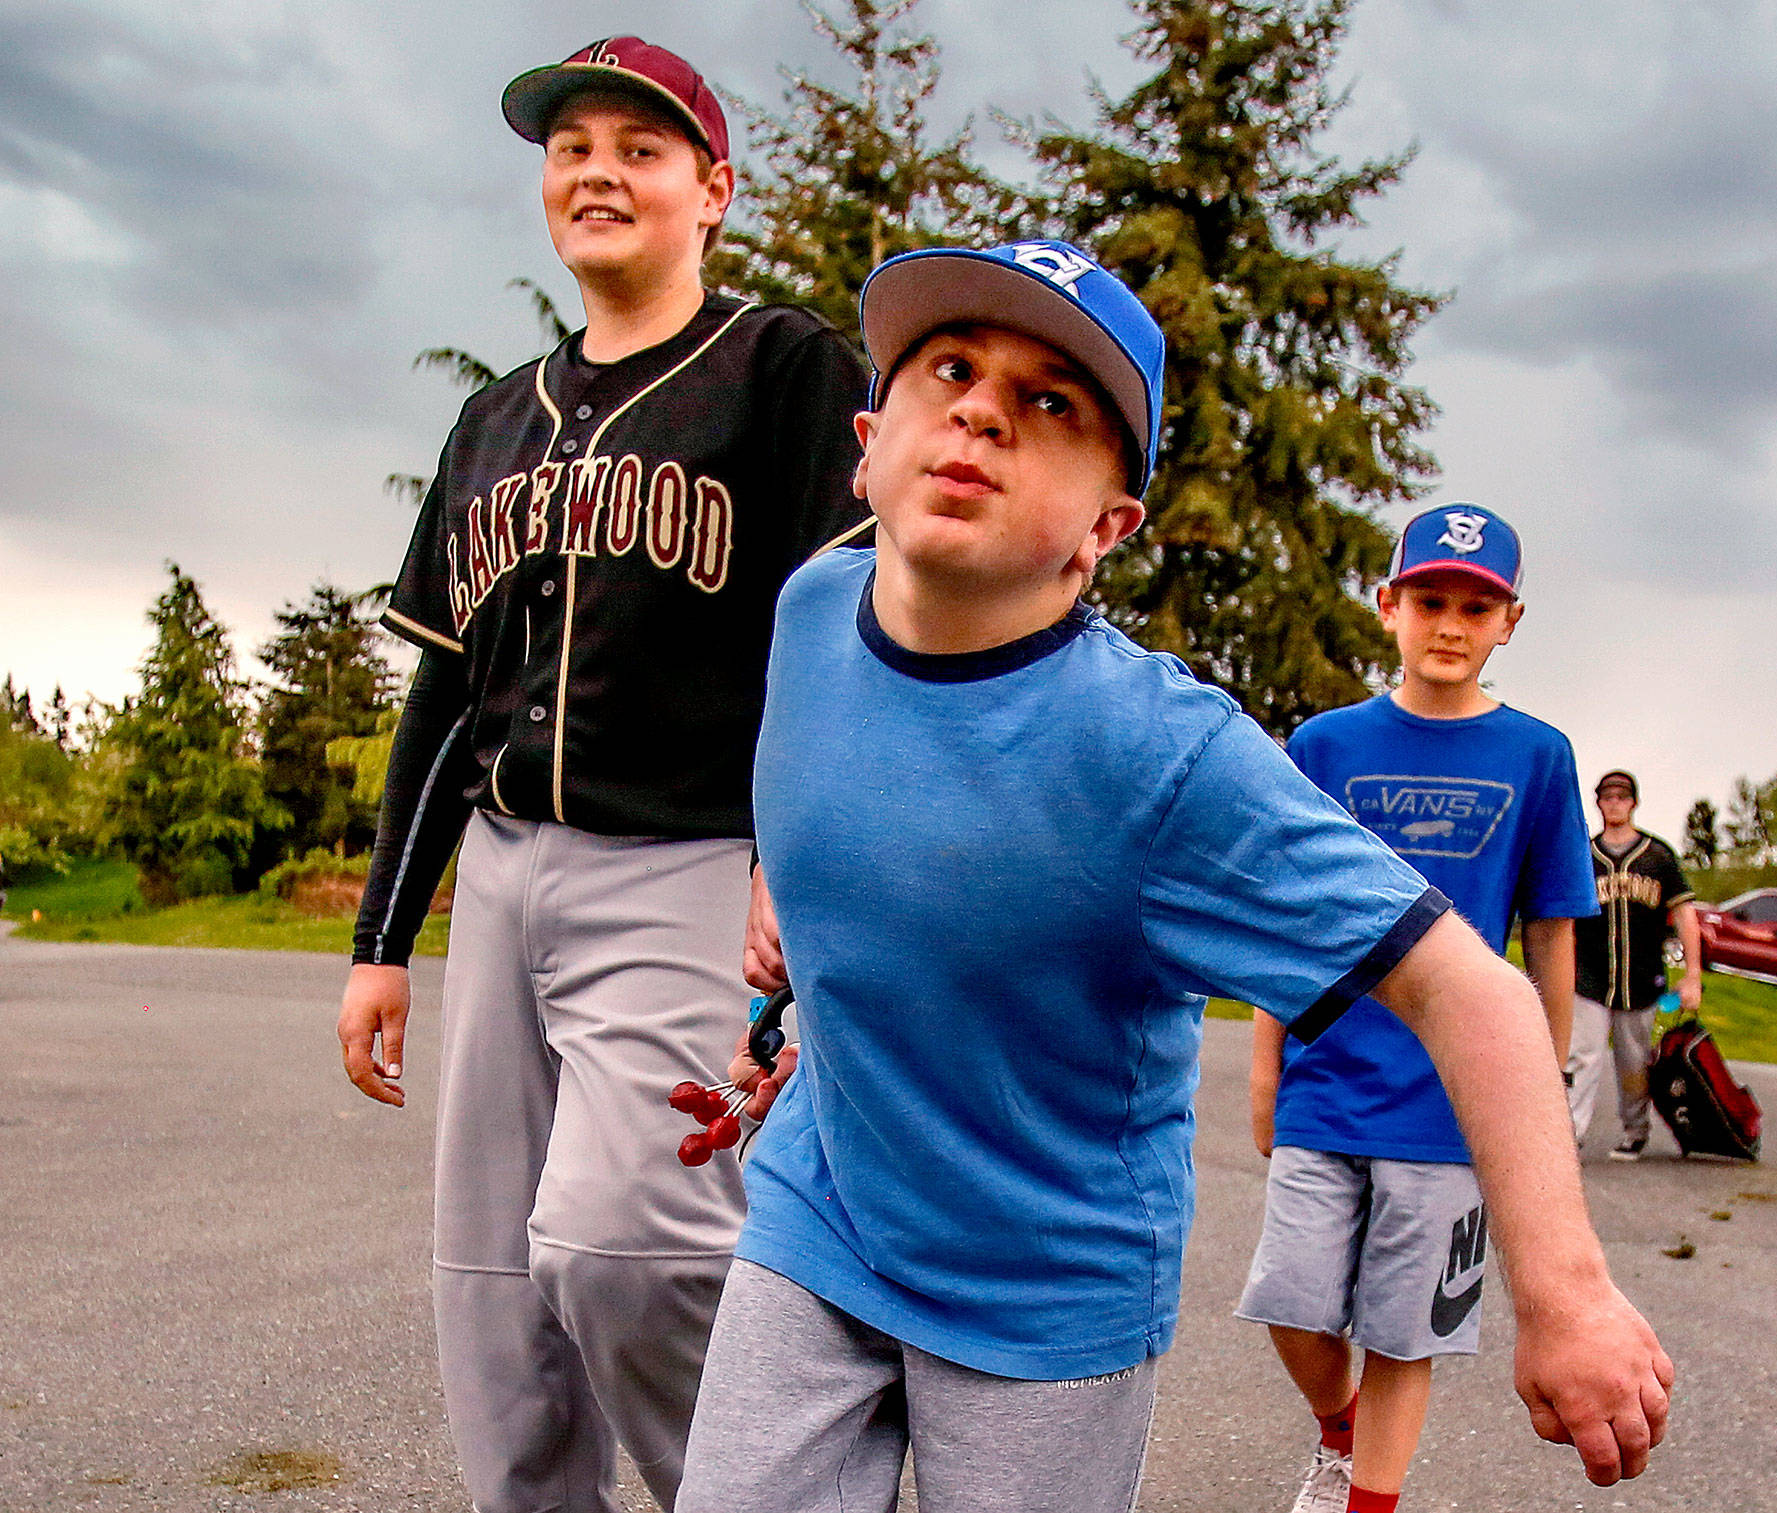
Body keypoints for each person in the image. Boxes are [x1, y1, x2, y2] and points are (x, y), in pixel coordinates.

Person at [676, 240, 1672, 1513]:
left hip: (1042, 1290)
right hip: (823, 1214)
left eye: (1051, 404)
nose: (982, 407)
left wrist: (1567, 1294)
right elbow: (841, 798)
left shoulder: (1162, 760)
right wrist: (792, 924)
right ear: (869, 441)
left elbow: (1467, 993)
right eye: (950, 368)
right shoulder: (813, 607)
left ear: (1104, 529)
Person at [334, 37, 871, 1513]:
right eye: (571, 147)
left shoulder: (782, 368)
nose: (597, 172)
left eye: (641, 148)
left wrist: (798, 854)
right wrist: (385, 938)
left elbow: (838, 638)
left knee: (627, 1242)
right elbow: (445, 693)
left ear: (714, 189)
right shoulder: (494, 420)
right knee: (493, 1288)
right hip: (506, 877)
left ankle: (774, 1494)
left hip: (692, 861)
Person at [1236, 503, 1599, 1513]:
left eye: (1474, 607)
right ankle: (1336, 1430)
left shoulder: (1537, 756)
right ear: (1386, 605)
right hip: (1326, 1081)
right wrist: (1266, 1065)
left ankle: (1365, 1502)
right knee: (1293, 1306)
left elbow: (1553, 930)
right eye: (1430, 599)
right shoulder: (1324, 743)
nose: (1450, 622)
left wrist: (1542, 1084)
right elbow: (1286, 918)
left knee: (1406, 1329)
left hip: (1455, 1105)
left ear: (1507, 623)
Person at [1567, 770, 1702, 1158]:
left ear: (1634, 802)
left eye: (1622, 797)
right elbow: (1564, 923)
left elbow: (1686, 916)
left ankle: (1635, 1131)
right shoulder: (1584, 856)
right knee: (1582, 1056)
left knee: (1635, 1062)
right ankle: (1570, 1135)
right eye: (1607, 797)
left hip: (1642, 978)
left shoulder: (1657, 856)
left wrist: (1692, 976)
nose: (1614, 803)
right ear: (1598, 803)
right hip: (1590, 976)